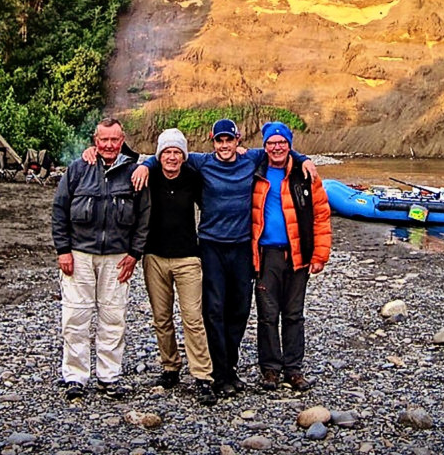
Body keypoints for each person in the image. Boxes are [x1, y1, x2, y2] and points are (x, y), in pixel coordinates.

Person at [114, 119, 317, 397]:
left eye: (229, 140)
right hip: (211, 246)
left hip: (243, 246)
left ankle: (229, 365)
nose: (224, 146)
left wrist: (303, 159)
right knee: (213, 310)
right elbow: (167, 154)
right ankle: (219, 373)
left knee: (240, 310)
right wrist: (143, 165)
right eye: (219, 141)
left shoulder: (252, 158)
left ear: (238, 140)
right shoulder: (201, 162)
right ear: (213, 142)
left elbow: (278, 149)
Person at [52, 118, 151, 401]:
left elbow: (144, 216)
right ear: (95, 140)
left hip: (118, 256)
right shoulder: (78, 169)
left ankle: (109, 376)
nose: (109, 145)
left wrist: (135, 253)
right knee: (75, 317)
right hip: (79, 255)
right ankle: (75, 376)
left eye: (114, 140)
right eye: (104, 139)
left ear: (122, 141)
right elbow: (60, 210)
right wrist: (63, 250)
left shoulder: (134, 172)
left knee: (113, 317)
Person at [251, 121, 331, 391]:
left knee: (294, 314)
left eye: (282, 142)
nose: (277, 147)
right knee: (267, 314)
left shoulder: (305, 173)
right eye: (271, 143)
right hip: (266, 254)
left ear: (289, 145)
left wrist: (320, 255)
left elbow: (321, 215)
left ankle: (294, 369)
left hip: (299, 254)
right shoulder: (254, 171)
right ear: (265, 147)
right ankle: (270, 369)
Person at [142, 128, 217, 406]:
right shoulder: (148, 176)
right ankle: (170, 367)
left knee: (193, 318)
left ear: (183, 156)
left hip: (187, 257)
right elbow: (122, 158)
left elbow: (210, 206)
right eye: (167, 152)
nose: (172, 157)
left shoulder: (193, 178)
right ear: (159, 155)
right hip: (154, 256)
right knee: (161, 317)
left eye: (177, 152)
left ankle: (202, 375)